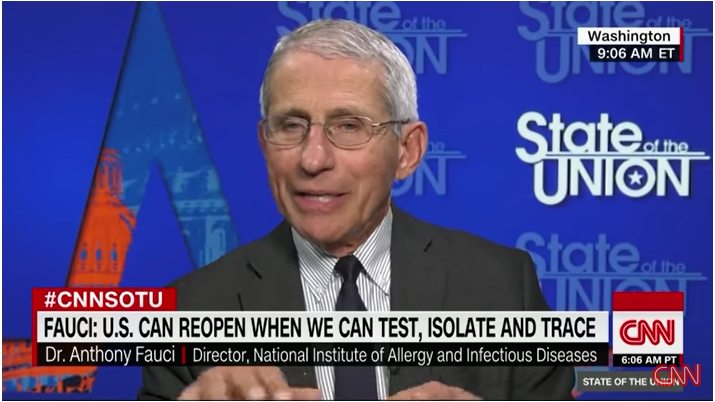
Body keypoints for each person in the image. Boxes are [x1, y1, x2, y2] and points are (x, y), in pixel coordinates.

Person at [138, 19, 574, 401]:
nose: (313, 159)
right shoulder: (188, 311)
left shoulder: (504, 287)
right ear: (264, 143)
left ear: (407, 150)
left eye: (348, 126)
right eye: (290, 126)